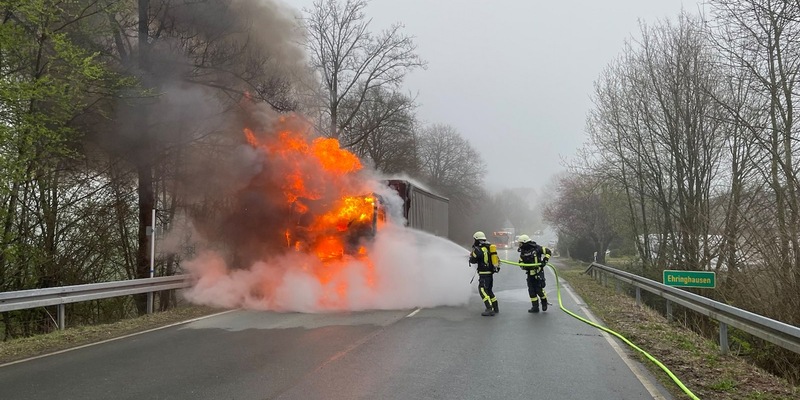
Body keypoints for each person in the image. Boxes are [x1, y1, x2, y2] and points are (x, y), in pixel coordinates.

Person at [517, 234, 551, 313]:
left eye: (520, 243)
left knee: (539, 290)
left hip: (538, 273)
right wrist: (522, 266)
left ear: (525, 243)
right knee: (531, 291)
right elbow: (520, 261)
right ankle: (535, 307)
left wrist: (544, 261)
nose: (519, 245)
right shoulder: (523, 251)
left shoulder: (537, 248)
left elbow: (548, 252)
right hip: (529, 274)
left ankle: (544, 302)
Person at [469, 231, 500, 316]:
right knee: (489, 290)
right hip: (490, 273)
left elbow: (473, 261)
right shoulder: (489, 248)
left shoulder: (478, 249)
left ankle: (489, 308)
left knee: (482, 290)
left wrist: (471, 256)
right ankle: (495, 307)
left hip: (483, 274)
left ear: (477, 240)